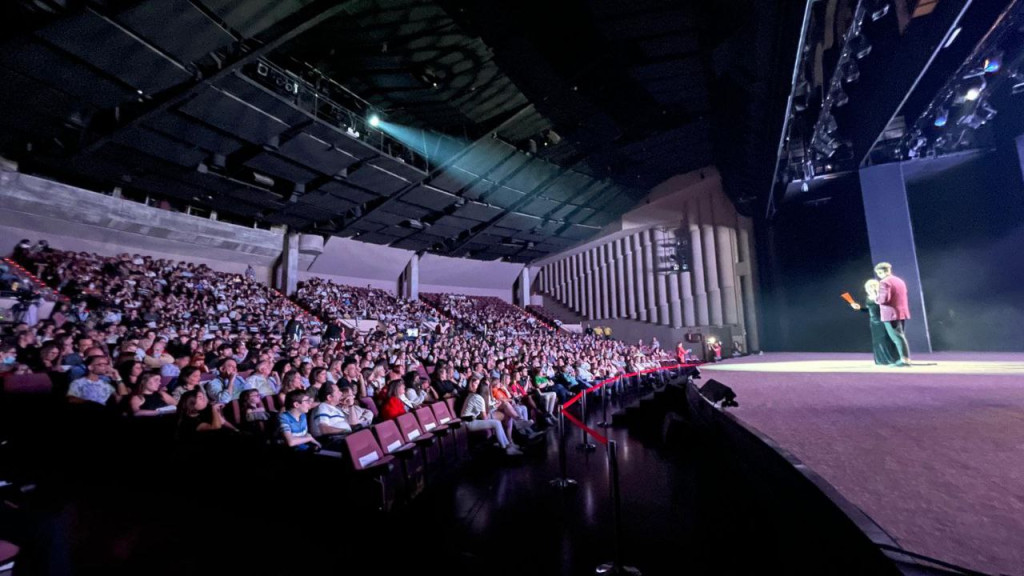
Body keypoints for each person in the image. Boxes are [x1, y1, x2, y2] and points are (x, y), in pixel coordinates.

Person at [849, 279, 901, 366]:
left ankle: (891, 359)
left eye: (872, 286)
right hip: (873, 322)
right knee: (878, 341)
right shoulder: (868, 297)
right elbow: (869, 309)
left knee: (886, 340)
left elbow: (884, 307)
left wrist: (877, 295)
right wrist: (860, 308)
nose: (870, 288)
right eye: (868, 287)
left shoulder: (881, 296)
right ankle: (880, 360)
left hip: (883, 320)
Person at [873, 262, 912, 366]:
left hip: (890, 314)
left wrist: (875, 298)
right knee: (900, 336)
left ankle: (904, 360)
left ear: (882, 272)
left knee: (897, 337)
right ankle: (904, 359)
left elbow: (884, 299)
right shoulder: (900, 281)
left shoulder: (884, 282)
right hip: (902, 312)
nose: (879, 276)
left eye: (879, 273)